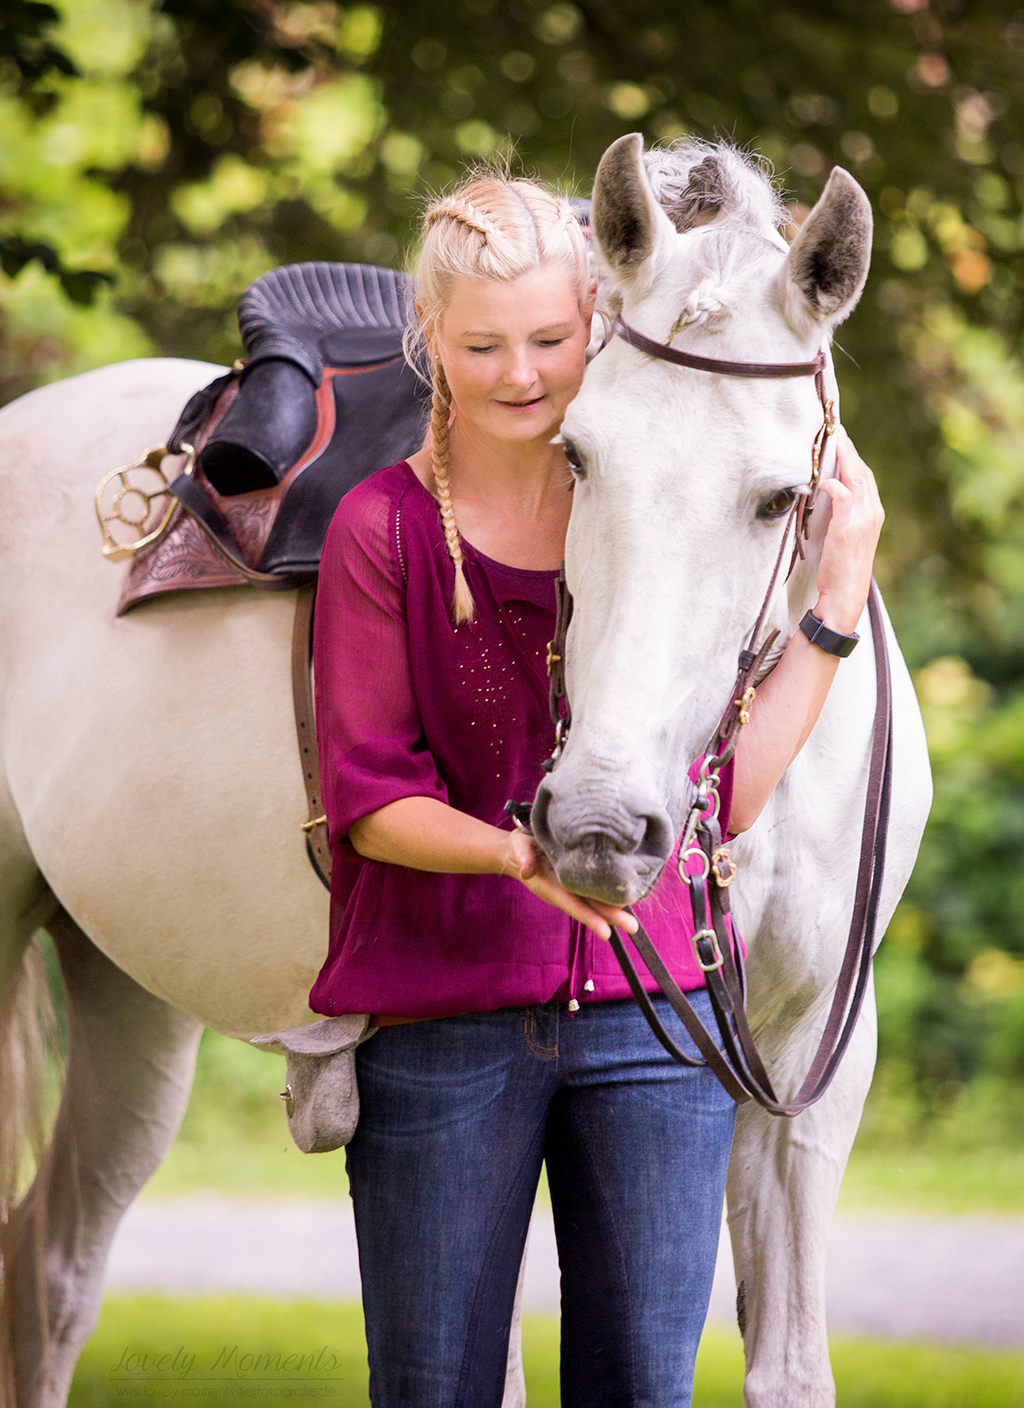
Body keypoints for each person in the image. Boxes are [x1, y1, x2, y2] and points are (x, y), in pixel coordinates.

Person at [308, 171, 883, 1408]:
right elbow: (365, 796)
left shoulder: (645, 491)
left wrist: (836, 601)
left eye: (550, 341)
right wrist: (521, 859)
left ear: (596, 325)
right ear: (433, 344)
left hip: (649, 1022)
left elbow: (717, 800)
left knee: (641, 1390)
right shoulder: (385, 530)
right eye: (480, 345)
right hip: (444, 1025)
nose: (520, 372)